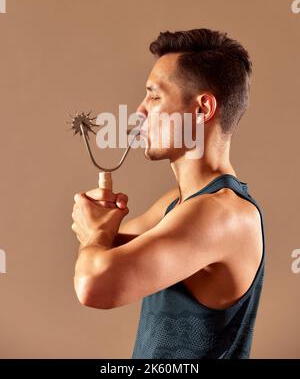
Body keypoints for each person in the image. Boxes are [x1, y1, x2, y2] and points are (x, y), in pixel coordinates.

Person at [71, 28, 265, 359]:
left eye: (154, 96)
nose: (140, 111)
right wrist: (99, 225)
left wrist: (94, 234)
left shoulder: (224, 214)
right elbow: (110, 246)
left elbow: (93, 284)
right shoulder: (176, 205)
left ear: (203, 108)